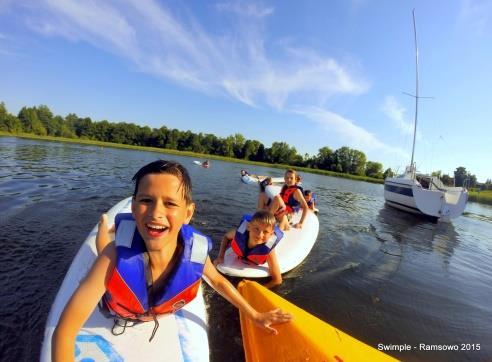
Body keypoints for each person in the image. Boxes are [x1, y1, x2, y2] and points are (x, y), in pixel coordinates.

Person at [52, 160, 291, 361]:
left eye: (170, 203)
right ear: (134, 208)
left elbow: (218, 282)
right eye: (146, 201)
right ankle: (106, 225)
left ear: (188, 213)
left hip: (150, 308)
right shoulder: (112, 257)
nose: (156, 212)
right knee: (104, 246)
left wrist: (255, 315)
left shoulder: (195, 253)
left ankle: (110, 225)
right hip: (118, 308)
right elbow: (64, 332)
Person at [213, 210, 283, 288]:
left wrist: (258, 289)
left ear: (271, 234)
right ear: (249, 227)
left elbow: (277, 280)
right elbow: (226, 237)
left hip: (271, 235)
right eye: (256, 229)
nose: (260, 235)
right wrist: (220, 256)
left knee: (280, 229)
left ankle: (284, 220)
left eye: (265, 232)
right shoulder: (240, 233)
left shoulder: (269, 251)